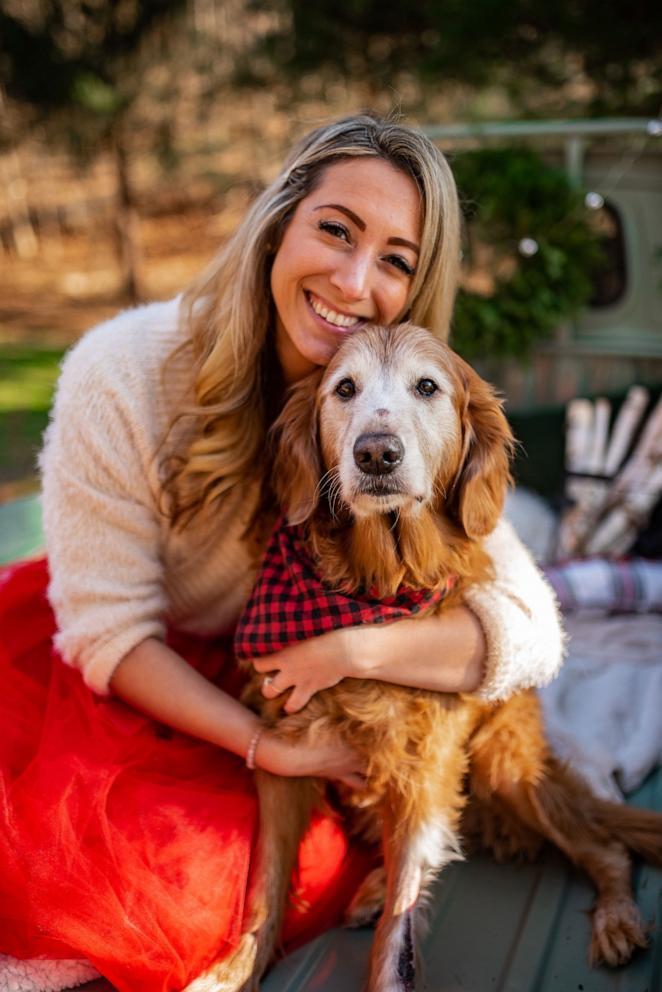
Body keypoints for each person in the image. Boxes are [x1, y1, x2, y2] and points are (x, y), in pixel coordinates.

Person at [0, 114, 564, 992]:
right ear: (279, 226)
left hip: (296, 668)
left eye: (395, 259)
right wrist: (273, 751)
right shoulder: (117, 371)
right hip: (138, 676)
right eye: (335, 230)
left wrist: (352, 650)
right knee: (158, 884)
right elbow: (108, 634)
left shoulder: (394, 413)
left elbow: (528, 630)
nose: (352, 279)